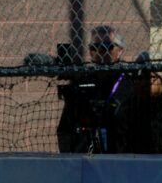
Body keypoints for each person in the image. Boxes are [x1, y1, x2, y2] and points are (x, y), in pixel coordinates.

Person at [56, 26, 142, 154]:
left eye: (107, 46)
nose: (100, 52)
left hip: (120, 159)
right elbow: (65, 129)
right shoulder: (82, 83)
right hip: (85, 160)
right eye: (94, 47)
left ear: (120, 51)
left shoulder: (129, 85)